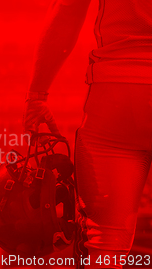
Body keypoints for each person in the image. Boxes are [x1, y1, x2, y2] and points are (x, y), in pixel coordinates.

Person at [22, 0, 152, 268]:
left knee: (105, 249)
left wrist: (37, 95)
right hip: (117, 92)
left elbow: (68, 8)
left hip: (118, 93)